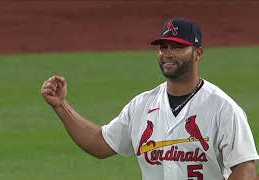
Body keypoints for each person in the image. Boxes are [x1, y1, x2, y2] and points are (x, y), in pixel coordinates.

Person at [40, 17, 259, 180]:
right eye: (164, 47)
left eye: (178, 47)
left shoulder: (223, 109)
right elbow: (100, 143)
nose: (168, 53)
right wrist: (61, 106)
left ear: (198, 53)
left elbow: (246, 171)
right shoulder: (142, 106)